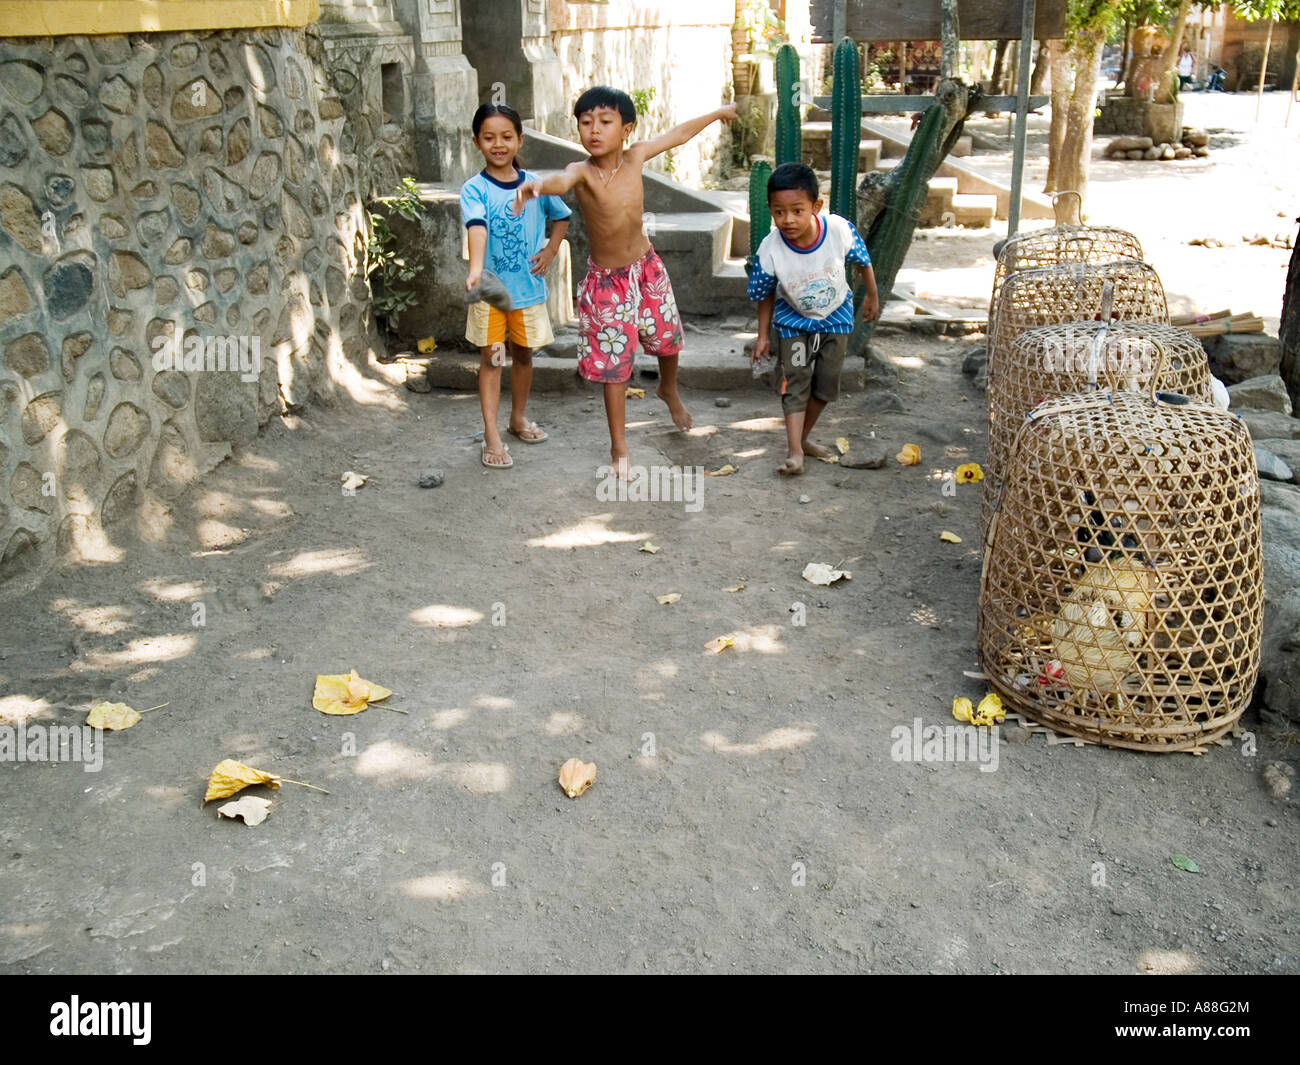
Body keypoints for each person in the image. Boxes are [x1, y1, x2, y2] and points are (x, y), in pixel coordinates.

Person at [514, 87, 737, 476]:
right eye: (585, 123)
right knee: (613, 366)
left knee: (668, 340)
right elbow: (560, 181)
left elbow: (679, 134)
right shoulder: (582, 172)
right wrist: (536, 186)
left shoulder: (635, 158)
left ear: (626, 129)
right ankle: (619, 447)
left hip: (646, 270)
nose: (594, 130)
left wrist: (717, 113)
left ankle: (668, 388)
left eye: (604, 122)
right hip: (606, 284)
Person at [747, 162, 879, 476]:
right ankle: (795, 452)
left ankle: (802, 439)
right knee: (795, 381)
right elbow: (764, 293)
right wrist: (763, 335)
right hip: (793, 323)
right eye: (779, 212)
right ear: (770, 210)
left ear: (815, 207)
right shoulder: (771, 249)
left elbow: (863, 261)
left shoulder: (837, 230)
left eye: (797, 210)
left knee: (826, 385)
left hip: (837, 318)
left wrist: (872, 295)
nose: (787, 220)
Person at [461, 102, 570, 469]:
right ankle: (491, 434)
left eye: (507, 136)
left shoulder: (535, 184)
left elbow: (562, 217)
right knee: (493, 358)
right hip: (491, 293)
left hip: (528, 291)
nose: (498, 144)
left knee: (523, 354)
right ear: (477, 142)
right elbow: (477, 227)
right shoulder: (474, 189)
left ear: (519, 139)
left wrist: (551, 251)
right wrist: (476, 268)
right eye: (489, 137)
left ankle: (517, 418)